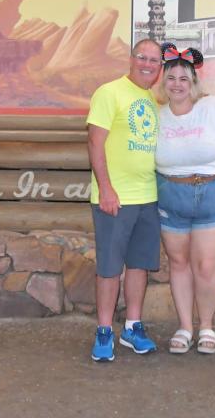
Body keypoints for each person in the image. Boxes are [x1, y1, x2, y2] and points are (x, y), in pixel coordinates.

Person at [154, 43, 215, 355]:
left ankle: (207, 327)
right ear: (164, 82)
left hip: (211, 193)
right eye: (171, 78)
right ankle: (185, 327)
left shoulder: (212, 106)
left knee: (206, 265)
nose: (177, 84)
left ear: (194, 82)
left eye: (184, 78)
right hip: (171, 193)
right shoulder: (156, 114)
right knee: (179, 263)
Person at [85, 37, 163, 362]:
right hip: (114, 199)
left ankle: (132, 327)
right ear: (131, 59)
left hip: (148, 197)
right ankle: (104, 331)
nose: (147, 64)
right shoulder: (109, 92)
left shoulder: (152, 100)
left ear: (159, 68)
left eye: (154, 60)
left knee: (139, 266)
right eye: (142, 57)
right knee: (108, 267)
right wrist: (105, 187)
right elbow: (94, 143)